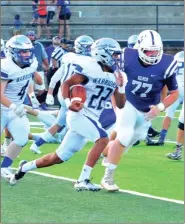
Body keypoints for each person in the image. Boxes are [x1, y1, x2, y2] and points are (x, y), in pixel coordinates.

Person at [10, 38, 126, 191]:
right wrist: (67, 102)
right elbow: (67, 84)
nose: (117, 58)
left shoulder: (117, 75)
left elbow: (120, 104)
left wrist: (121, 86)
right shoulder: (90, 68)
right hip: (78, 115)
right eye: (114, 55)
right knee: (103, 138)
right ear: (102, 54)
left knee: (58, 157)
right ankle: (83, 179)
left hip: (92, 118)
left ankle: (24, 168)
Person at [100, 30, 179, 192]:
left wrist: (160, 107)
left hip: (148, 107)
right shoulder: (127, 56)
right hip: (128, 101)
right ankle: (108, 176)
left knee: (135, 137)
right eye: (148, 51)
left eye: (155, 51)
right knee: (125, 135)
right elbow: (114, 83)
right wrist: (117, 106)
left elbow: (174, 93)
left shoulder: (167, 63)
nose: (152, 54)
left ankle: (103, 153)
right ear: (139, 48)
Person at [31, 35, 94, 154]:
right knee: (83, 118)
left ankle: (36, 144)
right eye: (89, 47)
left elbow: (57, 75)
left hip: (63, 92)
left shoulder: (68, 57)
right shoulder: (88, 61)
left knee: (60, 123)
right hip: (73, 93)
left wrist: (50, 92)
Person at [1, 35, 38, 181]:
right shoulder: (5, 66)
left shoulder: (32, 63)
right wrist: (13, 106)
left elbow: (27, 78)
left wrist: (32, 95)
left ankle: (4, 167)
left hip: (16, 107)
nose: (27, 54)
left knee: (22, 138)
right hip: (3, 107)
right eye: (23, 52)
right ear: (12, 51)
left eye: (28, 51)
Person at [151, 51, 184, 146]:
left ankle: (162, 138)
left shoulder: (174, 62)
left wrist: (164, 100)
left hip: (178, 88)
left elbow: (167, 79)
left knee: (169, 113)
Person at [26, 30, 49, 108]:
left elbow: (44, 56)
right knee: (29, 88)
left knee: (41, 88)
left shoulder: (39, 45)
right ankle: (31, 104)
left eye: (32, 35)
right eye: (29, 35)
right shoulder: (24, 45)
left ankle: (39, 102)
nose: (31, 37)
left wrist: (46, 66)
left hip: (38, 69)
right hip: (27, 69)